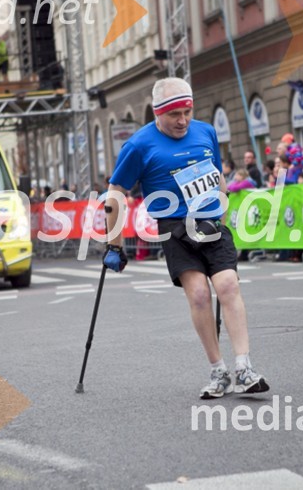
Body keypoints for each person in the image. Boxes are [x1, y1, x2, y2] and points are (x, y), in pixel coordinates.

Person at [103, 77, 269, 400]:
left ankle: (244, 366)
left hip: (210, 222)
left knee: (228, 285)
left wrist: (221, 215)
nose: (182, 121)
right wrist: (114, 244)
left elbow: (217, 175)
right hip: (175, 228)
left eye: (187, 112)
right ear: (157, 113)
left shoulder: (206, 132)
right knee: (198, 296)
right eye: (174, 115)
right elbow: (116, 192)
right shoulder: (138, 146)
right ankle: (218, 370)